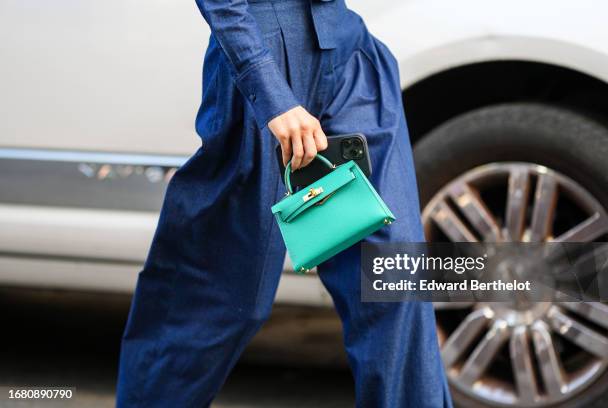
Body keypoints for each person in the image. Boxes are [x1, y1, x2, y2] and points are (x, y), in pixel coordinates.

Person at [116, 0, 452, 406]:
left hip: (348, 50)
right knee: (223, 296)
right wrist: (268, 90)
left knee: (393, 281)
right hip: (266, 47)